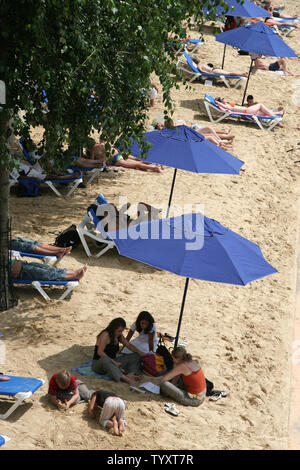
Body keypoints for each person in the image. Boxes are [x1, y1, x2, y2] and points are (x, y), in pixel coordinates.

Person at [92, 317, 145, 385]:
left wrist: (139, 352)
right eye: (119, 331)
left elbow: (129, 345)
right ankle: (127, 379)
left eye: (121, 331)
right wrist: (114, 362)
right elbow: (100, 352)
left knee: (135, 355)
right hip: (100, 363)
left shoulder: (118, 336)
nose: (120, 333)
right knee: (105, 359)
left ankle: (130, 374)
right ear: (113, 328)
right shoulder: (105, 335)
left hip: (113, 361)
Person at [84, 143, 163, 173]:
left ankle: (155, 168)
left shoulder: (93, 150)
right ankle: (155, 163)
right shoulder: (101, 143)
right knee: (138, 160)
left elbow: (92, 161)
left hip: (115, 159)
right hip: (119, 153)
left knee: (137, 164)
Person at [10, 257, 87, 281]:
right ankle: (73, 276)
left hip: (23, 265)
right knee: (46, 274)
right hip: (21, 272)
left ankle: (72, 272)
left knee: (48, 268)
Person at [215, 97, 285, 117]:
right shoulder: (226, 106)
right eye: (222, 99)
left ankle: (276, 114)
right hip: (246, 111)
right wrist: (217, 102)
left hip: (247, 110)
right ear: (221, 102)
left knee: (262, 111)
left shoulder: (228, 104)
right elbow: (226, 107)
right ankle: (274, 115)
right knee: (260, 105)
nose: (224, 99)